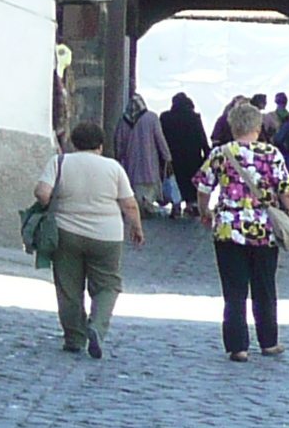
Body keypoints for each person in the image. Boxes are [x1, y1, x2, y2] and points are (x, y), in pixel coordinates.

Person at [197, 99, 289, 361]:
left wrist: (205, 212)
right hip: (263, 231)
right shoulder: (271, 155)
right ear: (258, 127)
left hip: (228, 230)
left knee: (233, 291)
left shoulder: (220, 154)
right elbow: (287, 192)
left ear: (232, 126)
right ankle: (268, 342)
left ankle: (238, 347)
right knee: (265, 288)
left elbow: (203, 188)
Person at [33, 121, 144, 359]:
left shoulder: (60, 162)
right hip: (107, 236)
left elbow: (42, 192)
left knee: (68, 287)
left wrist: (51, 206)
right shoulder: (113, 168)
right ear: (101, 146)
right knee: (108, 285)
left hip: (66, 233)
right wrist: (136, 228)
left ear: (73, 143)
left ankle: (74, 338)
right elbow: (129, 204)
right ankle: (97, 326)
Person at [114, 95, 173, 217]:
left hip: (131, 165)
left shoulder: (124, 121)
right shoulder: (151, 118)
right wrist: (167, 156)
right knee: (149, 188)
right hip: (149, 164)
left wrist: (119, 157)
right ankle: (147, 206)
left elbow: (119, 143)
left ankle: (140, 208)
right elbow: (160, 139)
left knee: (134, 188)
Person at [161, 92, 210, 219]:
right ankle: (190, 206)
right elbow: (201, 137)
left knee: (174, 182)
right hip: (192, 158)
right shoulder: (194, 118)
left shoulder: (165, 117)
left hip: (173, 157)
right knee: (190, 183)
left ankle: (175, 206)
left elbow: (161, 139)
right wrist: (207, 155)